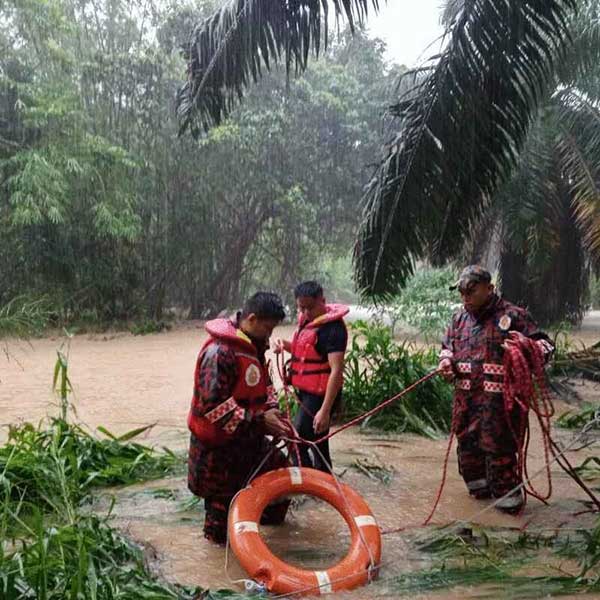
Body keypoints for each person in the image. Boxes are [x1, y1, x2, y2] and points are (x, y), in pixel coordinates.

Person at [438, 265, 554, 513]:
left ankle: (510, 526)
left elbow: (545, 346)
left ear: (489, 288)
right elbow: (446, 348)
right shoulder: (459, 319)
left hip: (500, 410)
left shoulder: (514, 316)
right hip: (466, 408)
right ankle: (479, 520)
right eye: (461, 291)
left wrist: (527, 348)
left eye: (471, 290)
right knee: (470, 465)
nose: (465, 296)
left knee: (501, 460)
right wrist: (445, 362)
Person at [187, 292, 293, 544]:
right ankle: (218, 572)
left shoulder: (255, 346)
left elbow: (265, 385)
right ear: (253, 319)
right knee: (219, 525)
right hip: (218, 451)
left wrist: (274, 412)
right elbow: (212, 408)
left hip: (249, 442)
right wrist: (261, 421)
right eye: (268, 328)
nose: (270, 335)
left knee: (281, 474)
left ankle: (268, 538)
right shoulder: (219, 353)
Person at [274, 281, 348, 472]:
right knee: (318, 440)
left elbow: (336, 370)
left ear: (322, 301)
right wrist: (285, 344)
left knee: (296, 439)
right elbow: (306, 352)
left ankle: (307, 482)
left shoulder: (334, 330)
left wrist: (325, 410)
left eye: (310, 307)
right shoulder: (308, 321)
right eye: (302, 308)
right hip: (306, 393)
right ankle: (324, 481)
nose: (306, 313)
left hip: (321, 395)